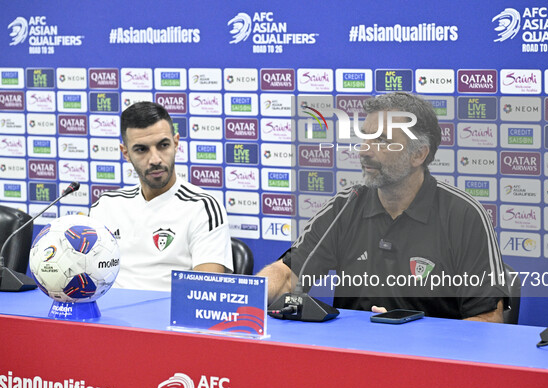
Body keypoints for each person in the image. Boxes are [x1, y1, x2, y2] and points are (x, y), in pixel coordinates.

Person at [259, 92, 509, 322]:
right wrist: (246, 295)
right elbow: (287, 276)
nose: (365, 150)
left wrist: (414, 336)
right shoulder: (345, 207)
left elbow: (488, 319)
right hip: (352, 358)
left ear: (418, 154)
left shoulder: (463, 215)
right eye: (365, 137)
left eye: (381, 140)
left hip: (430, 362)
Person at [90, 102, 232, 291]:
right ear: (125, 153)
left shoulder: (203, 207)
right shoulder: (105, 206)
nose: (155, 159)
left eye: (163, 145)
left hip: (168, 318)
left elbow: (204, 293)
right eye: (141, 149)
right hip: (107, 317)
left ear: (175, 143)